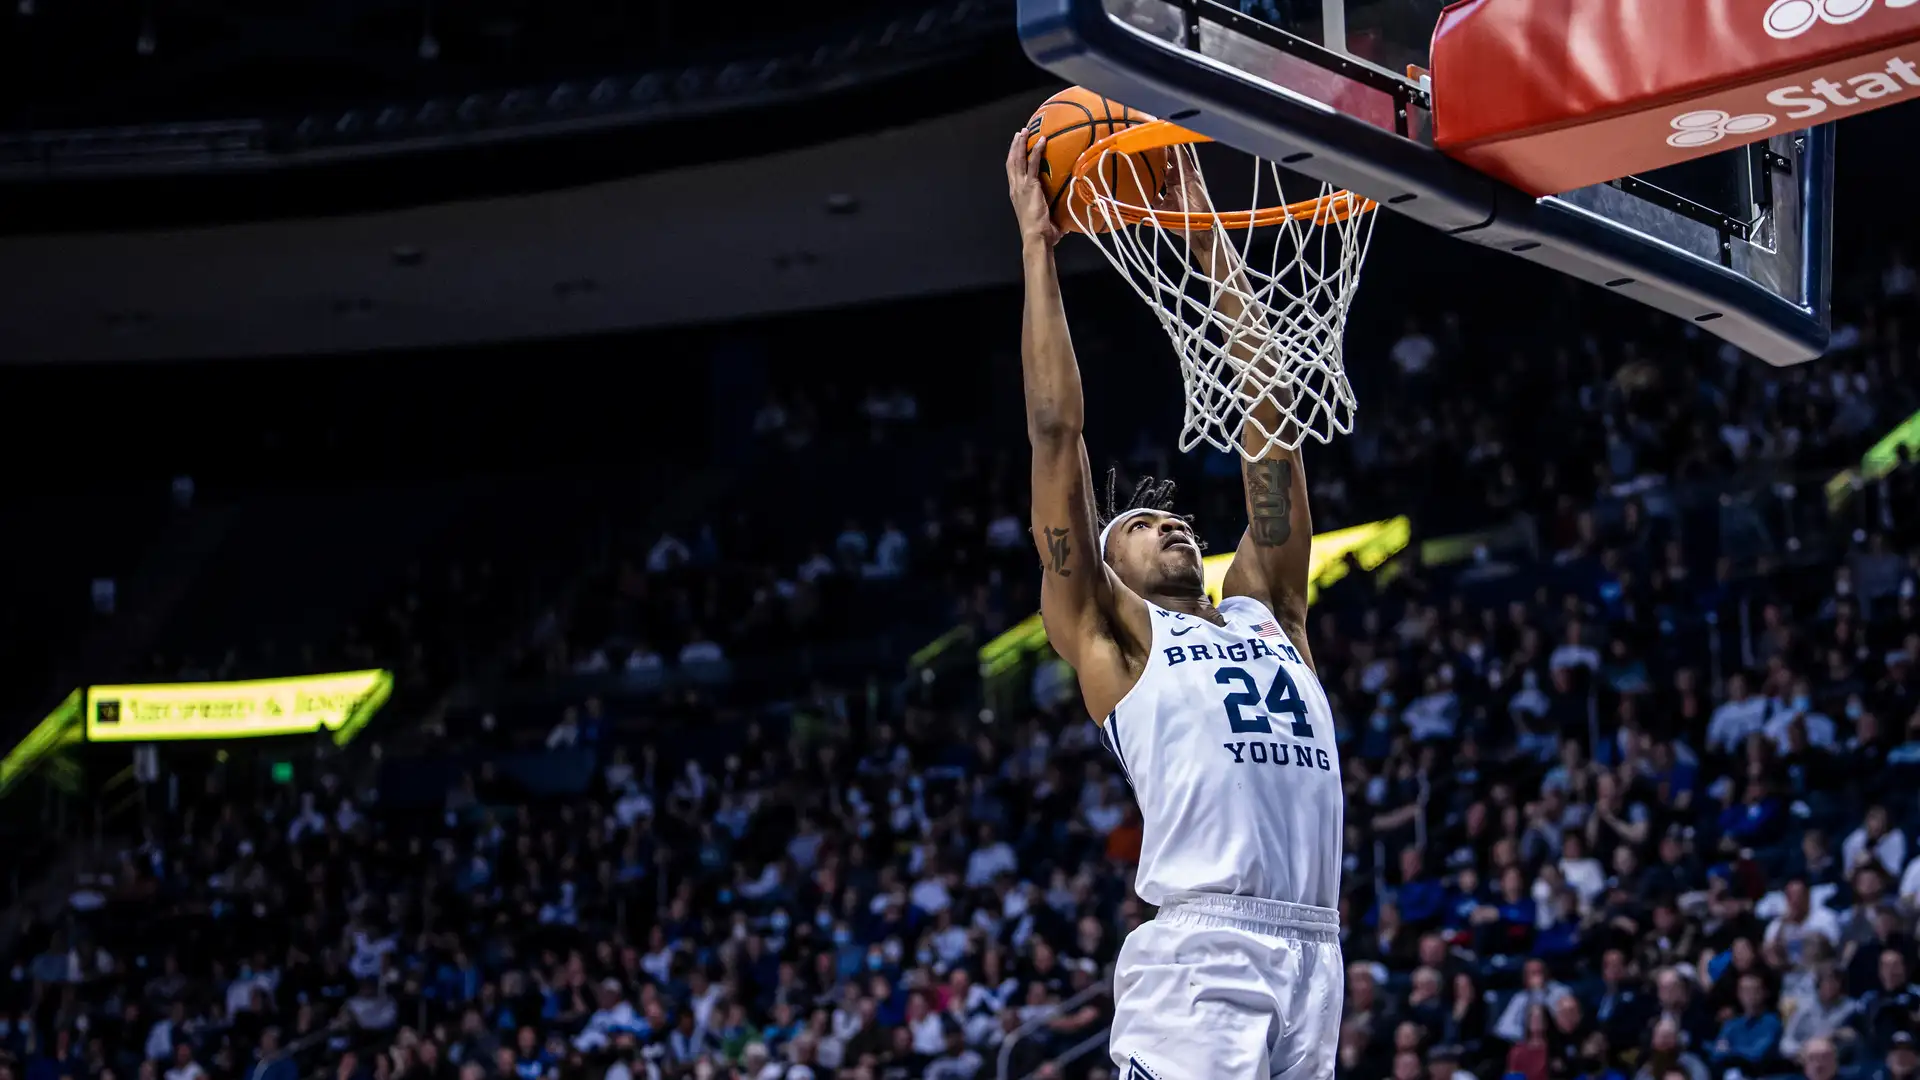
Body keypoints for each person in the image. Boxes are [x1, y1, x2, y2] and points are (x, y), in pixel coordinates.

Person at [1007, 130, 1343, 1080]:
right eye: (1141, 524)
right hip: (1203, 956)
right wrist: (1039, 249)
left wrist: (1207, 242)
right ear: (1102, 567)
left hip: (1316, 950)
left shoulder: (1266, 606)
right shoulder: (1114, 633)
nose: (1170, 525)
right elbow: (1053, 433)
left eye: (1174, 516)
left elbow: (1272, 427)